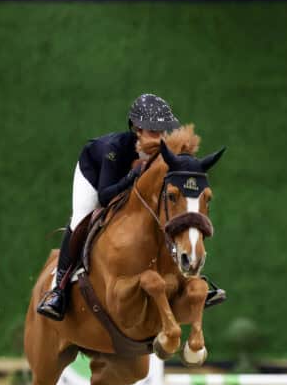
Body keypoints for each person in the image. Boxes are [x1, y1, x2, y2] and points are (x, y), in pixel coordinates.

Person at [36, 93, 226, 320]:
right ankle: (59, 290)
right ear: (137, 129)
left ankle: (191, 278)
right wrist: (133, 176)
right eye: (154, 131)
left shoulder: (166, 155)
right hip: (96, 176)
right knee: (80, 219)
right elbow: (105, 197)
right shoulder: (113, 149)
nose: (161, 136)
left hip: (127, 182)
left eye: (164, 130)